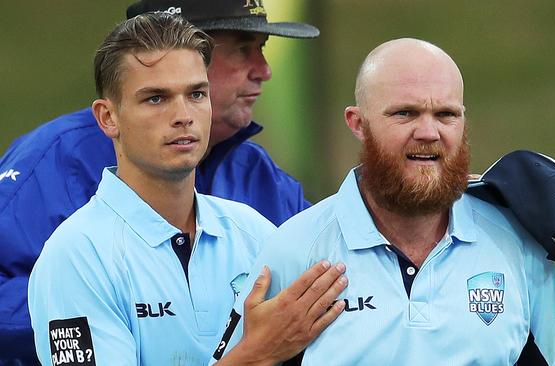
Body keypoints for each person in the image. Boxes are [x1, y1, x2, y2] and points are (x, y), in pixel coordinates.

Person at [215, 38, 555, 365]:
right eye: (404, 113)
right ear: (358, 123)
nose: (427, 132)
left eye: (446, 115)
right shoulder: (294, 249)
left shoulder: (517, 244)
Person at [0, 0, 320, 362]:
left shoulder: (255, 220)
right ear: (108, 117)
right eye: (156, 98)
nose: (265, 70)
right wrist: (254, 353)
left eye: (196, 94)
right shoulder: (72, 244)